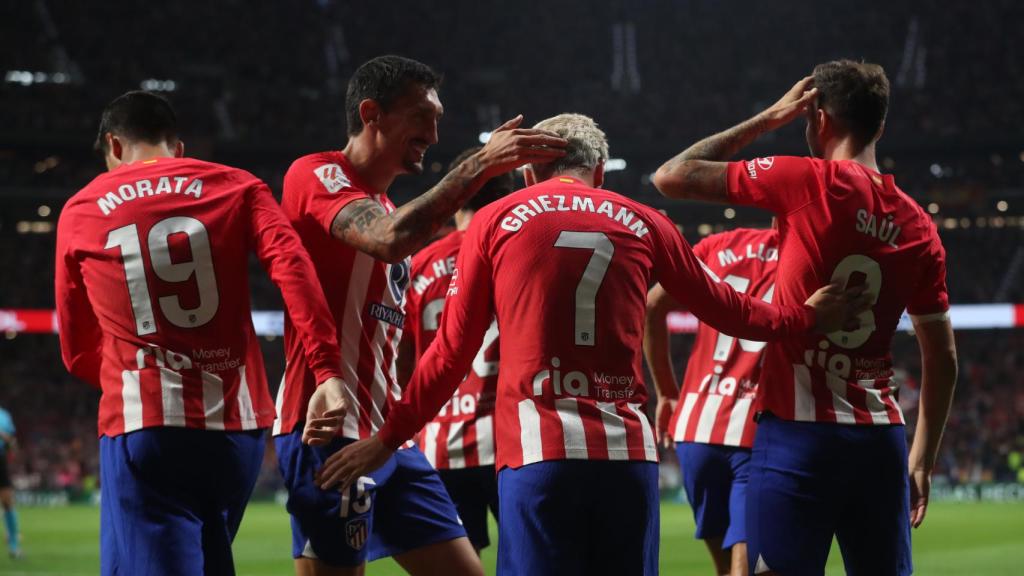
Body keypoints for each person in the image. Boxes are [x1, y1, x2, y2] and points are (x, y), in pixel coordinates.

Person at [316, 113, 866, 576]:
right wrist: (805, 316)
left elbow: (451, 352)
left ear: (531, 169)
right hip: (626, 457)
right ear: (599, 171)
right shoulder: (649, 222)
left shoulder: (495, 219)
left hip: (539, 456)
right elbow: (734, 312)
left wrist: (387, 439)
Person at [652, 60, 958, 576]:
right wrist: (922, 459)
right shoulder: (919, 225)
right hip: (879, 436)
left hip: (798, 433)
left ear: (816, 119)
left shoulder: (804, 179)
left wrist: (767, 119)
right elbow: (942, 357)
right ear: (879, 126)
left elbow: (671, 176)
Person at [273, 55, 566, 576]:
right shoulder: (317, 173)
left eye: (438, 118)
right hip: (328, 426)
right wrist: (479, 165)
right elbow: (387, 242)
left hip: (388, 438)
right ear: (372, 114)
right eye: (421, 116)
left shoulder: (389, 206)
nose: (433, 132)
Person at [55, 91, 345, 576]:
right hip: (238, 432)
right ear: (178, 147)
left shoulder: (82, 208)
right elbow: (295, 270)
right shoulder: (239, 186)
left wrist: (126, 378)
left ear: (114, 145)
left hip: (147, 425)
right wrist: (327, 370)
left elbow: (77, 347)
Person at [645, 225, 779, 576]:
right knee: (751, 569)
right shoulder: (813, 258)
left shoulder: (720, 246)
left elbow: (652, 305)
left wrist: (666, 392)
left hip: (695, 427)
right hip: (758, 432)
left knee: (726, 569)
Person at [400, 147, 513, 553]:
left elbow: (401, 359)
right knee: (532, 559)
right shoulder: (514, 254)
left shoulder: (419, 264)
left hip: (438, 440)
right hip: (510, 442)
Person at [0, 405, 20, 559]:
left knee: (7, 502)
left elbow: (12, 442)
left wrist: (6, 439)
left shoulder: (4, 415)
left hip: (1, 461)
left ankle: (14, 545)